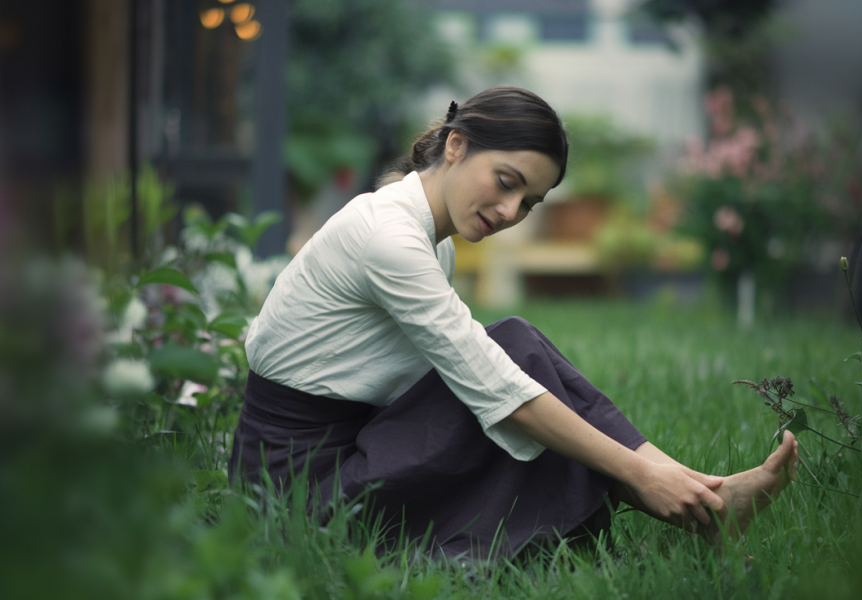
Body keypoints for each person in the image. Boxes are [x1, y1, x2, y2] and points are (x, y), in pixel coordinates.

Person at [228, 86, 799, 560]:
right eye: (506, 182)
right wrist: (637, 475)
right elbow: (496, 387)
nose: (510, 213)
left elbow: (472, 381)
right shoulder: (389, 238)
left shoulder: (426, 238)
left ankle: (698, 493)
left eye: (529, 202)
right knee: (514, 357)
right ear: (456, 145)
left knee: (515, 347)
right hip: (296, 496)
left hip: (350, 451)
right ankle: (692, 496)